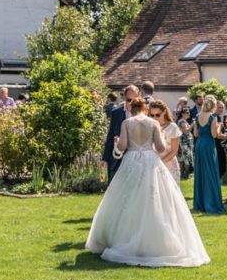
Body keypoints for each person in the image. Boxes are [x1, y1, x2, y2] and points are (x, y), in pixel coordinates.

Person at [86, 98, 210, 267]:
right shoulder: (153, 123)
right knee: (154, 197)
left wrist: (117, 146)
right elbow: (160, 148)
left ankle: (124, 236)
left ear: (131, 107)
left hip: (131, 160)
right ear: (144, 108)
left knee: (127, 197)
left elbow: (122, 146)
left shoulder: (127, 123)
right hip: (150, 160)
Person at [192, 95, 227, 214]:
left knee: (201, 172)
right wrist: (218, 127)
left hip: (200, 144)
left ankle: (200, 203)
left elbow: (196, 134)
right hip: (208, 145)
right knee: (211, 172)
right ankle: (211, 202)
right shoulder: (212, 117)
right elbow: (214, 135)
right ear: (213, 106)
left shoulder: (197, 116)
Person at [102, 84, 137, 184]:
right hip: (118, 157)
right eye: (129, 100)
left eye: (135, 101)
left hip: (136, 158)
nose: (131, 103)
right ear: (124, 97)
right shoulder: (116, 113)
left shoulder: (143, 114)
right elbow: (110, 136)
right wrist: (105, 158)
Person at [150, 100, 182, 185]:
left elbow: (174, 151)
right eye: (152, 115)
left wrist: (160, 163)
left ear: (164, 112)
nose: (154, 118)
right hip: (152, 164)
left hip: (168, 164)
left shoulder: (172, 127)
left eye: (157, 115)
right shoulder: (150, 126)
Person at [176, 106, 195, 178]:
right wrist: (193, 124)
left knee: (184, 158)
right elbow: (186, 132)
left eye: (189, 112)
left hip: (186, 142)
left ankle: (183, 174)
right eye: (187, 113)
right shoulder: (182, 121)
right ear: (183, 114)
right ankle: (184, 174)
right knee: (185, 158)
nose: (189, 114)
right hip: (184, 143)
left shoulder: (184, 121)